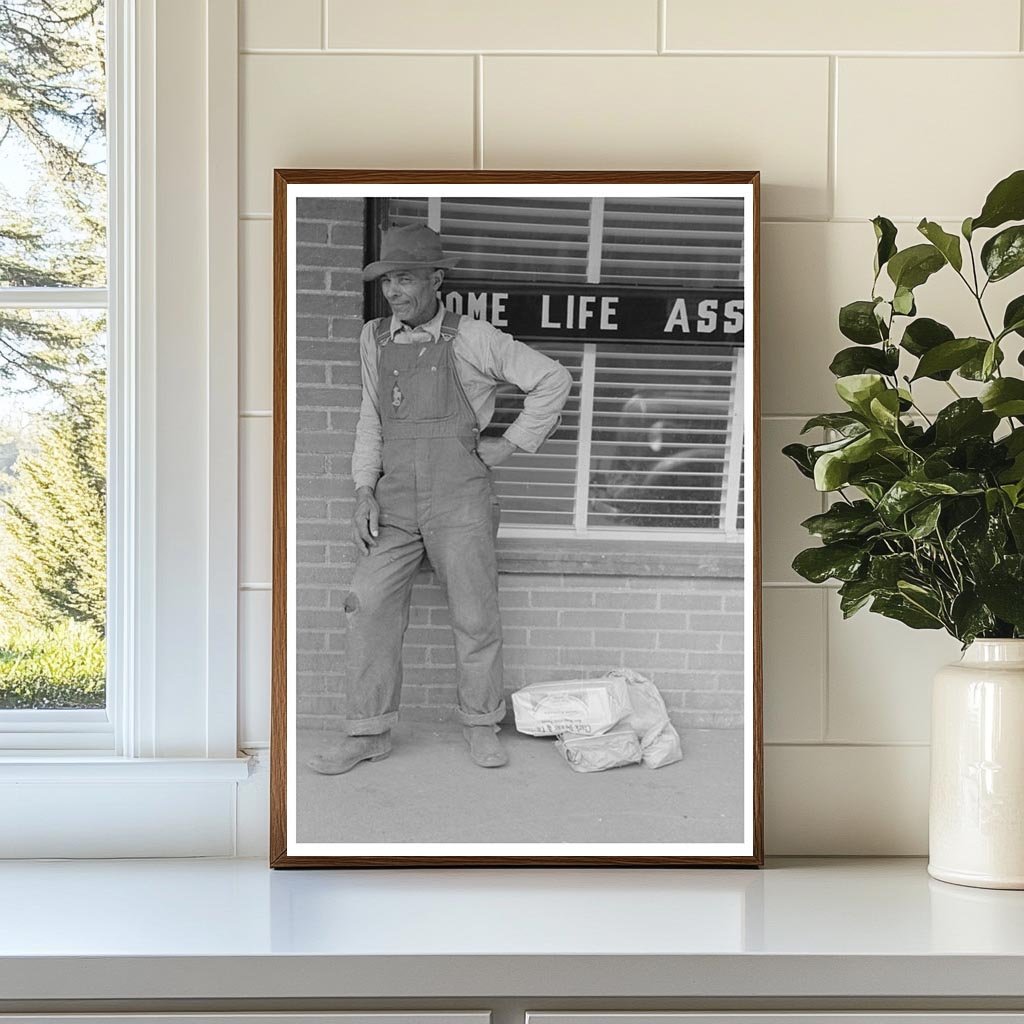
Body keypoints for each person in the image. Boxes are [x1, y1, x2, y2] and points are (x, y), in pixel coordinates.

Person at [307, 223, 572, 775]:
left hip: (461, 497)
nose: (395, 292)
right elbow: (369, 420)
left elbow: (552, 379)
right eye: (387, 283)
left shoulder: (473, 337)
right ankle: (368, 732)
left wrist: (513, 444)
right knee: (367, 602)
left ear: (436, 279)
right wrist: (363, 491)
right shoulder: (373, 338)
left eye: (404, 279)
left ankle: (481, 724)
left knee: (475, 614)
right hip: (394, 498)